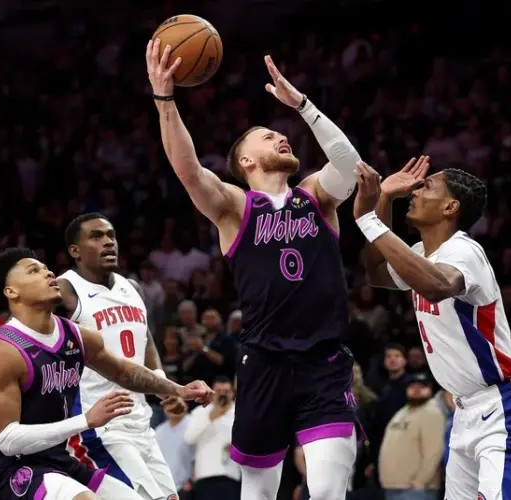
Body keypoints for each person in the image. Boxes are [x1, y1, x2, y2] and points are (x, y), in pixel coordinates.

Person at [147, 39, 363, 500]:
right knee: (259, 493)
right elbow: (188, 170)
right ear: (246, 161)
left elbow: (348, 166)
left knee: (326, 490)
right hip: (263, 363)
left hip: (323, 363)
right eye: (267, 136)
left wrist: (302, 105)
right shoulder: (234, 206)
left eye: (280, 133)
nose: (280, 136)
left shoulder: (316, 197)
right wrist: (165, 100)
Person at [355, 161, 511, 498]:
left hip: (506, 407)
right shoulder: (421, 254)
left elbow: (436, 285)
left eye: (426, 186)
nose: (414, 190)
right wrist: (384, 199)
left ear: (451, 207)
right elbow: (375, 272)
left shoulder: (465, 250)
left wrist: (369, 220)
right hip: (463, 412)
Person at [0, 247, 214, 500]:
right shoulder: (1, 352)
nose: (48, 273)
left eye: (46, 268)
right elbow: (8, 440)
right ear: (12, 292)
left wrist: (177, 388)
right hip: (14, 468)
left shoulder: (78, 336)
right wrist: (86, 420)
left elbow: (123, 372)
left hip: (59, 459)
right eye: (34, 271)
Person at [56, 213, 185, 500]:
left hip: (140, 420)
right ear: (74, 250)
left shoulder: (132, 287)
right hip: (99, 424)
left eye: (111, 236)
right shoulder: (64, 290)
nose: (108, 242)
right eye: (96, 236)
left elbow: (146, 339)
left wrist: (162, 385)